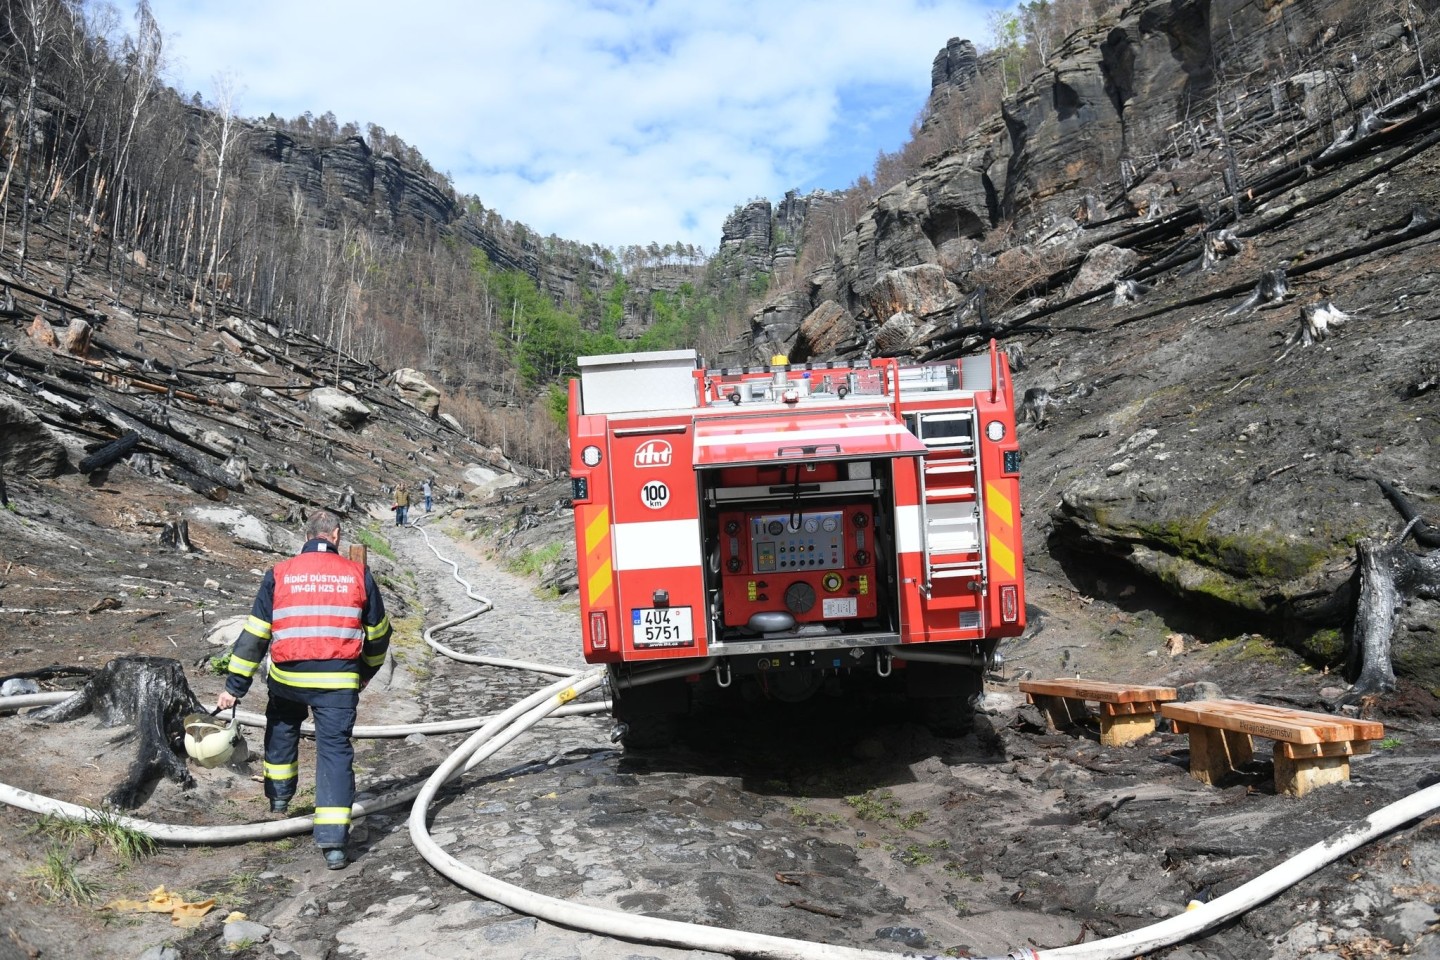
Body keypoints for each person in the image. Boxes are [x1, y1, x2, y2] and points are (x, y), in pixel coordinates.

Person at [216, 510, 391, 871]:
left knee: (281, 727)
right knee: (334, 753)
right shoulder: (358, 574)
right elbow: (378, 634)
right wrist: (366, 673)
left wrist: (235, 687)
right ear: (336, 535)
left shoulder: (280, 573)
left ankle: (279, 801)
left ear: (306, 535)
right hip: (338, 683)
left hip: (287, 679)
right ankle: (333, 844)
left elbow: (255, 634)